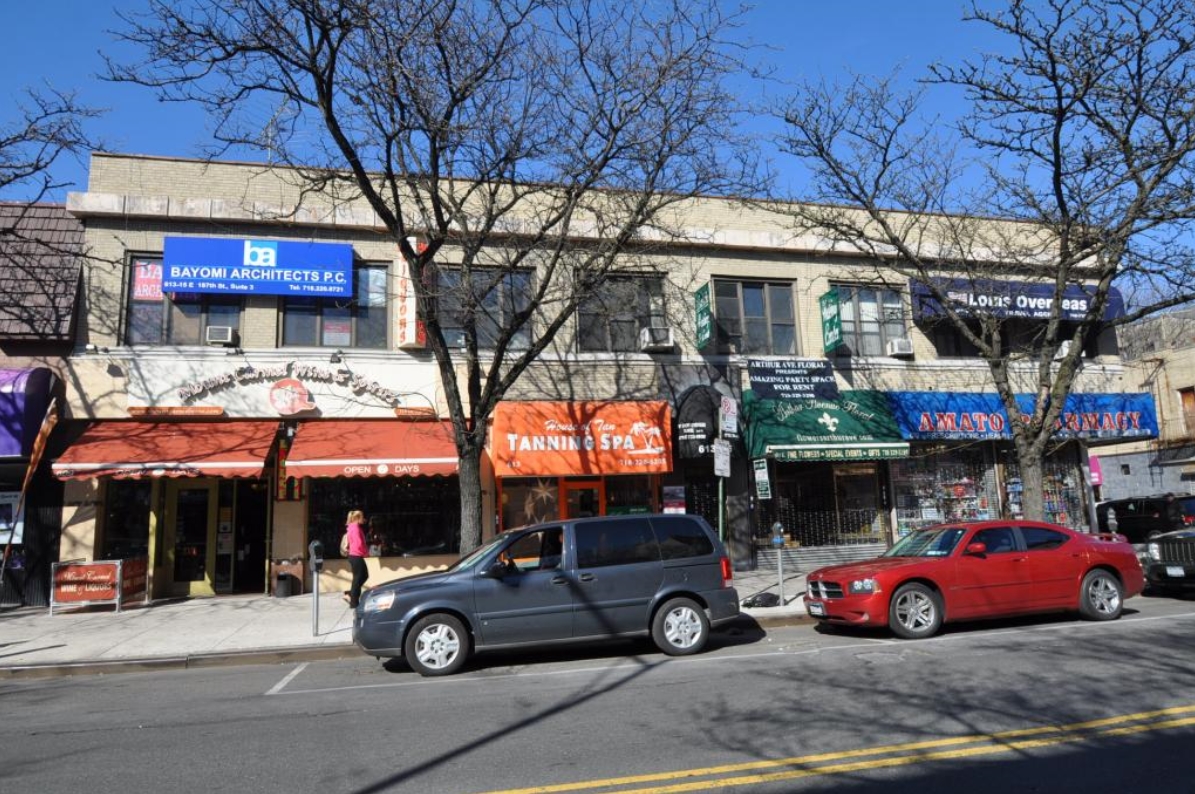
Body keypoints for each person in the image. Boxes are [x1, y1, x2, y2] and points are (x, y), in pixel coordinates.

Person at [343, 509, 369, 608]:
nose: (364, 519)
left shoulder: (352, 527)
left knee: (361, 577)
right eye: (362, 517)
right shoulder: (356, 528)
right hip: (356, 555)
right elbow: (359, 544)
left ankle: (351, 594)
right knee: (360, 577)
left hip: (354, 555)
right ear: (358, 518)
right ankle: (353, 602)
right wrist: (365, 552)